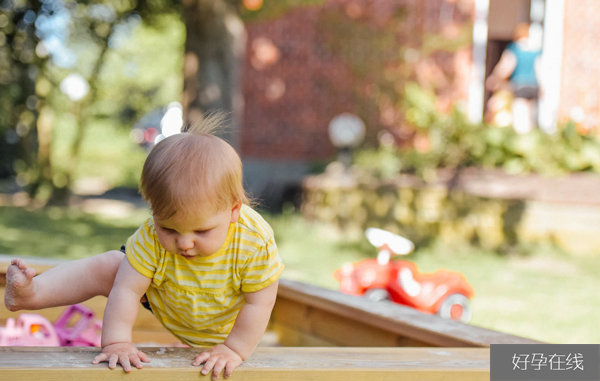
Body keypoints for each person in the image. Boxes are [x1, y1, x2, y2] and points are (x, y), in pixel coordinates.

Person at [4, 113, 284, 380]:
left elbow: (260, 302)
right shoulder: (150, 236)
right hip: (170, 297)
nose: (184, 243)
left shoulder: (253, 241)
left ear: (234, 211)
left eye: (202, 230)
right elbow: (126, 290)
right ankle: (32, 294)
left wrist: (234, 349)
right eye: (169, 229)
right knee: (111, 266)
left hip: (227, 322)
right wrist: (116, 342)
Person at [486, 23, 542, 134]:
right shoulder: (536, 50)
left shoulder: (515, 49)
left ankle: (521, 139)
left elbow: (506, 66)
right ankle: (530, 136)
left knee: (520, 114)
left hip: (520, 84)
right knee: (531, 115)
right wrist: (541, 86)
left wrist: (495, 78)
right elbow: (539, 69)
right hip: (533, 85)